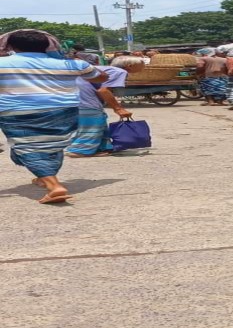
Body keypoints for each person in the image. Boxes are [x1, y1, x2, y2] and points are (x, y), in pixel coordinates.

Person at [0, 29, 107, 204]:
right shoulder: (72, 64)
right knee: (52, 146)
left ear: (11, 46)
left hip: (18, 112)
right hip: (64, 111)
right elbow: (101, 77)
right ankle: (44, 177)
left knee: (28, 147)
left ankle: (54, 186)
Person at [66, 56, 142, 158]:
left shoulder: (106, 69)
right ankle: (80, 150)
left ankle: (100, 148)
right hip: (85, 97)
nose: (144, 67)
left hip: (73, 94)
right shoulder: (119, 72)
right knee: (93, 122)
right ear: (130, 66)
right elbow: (103, 90)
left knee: (97, 121)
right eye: (142, 65)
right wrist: (118, 108)